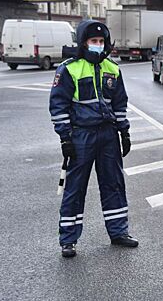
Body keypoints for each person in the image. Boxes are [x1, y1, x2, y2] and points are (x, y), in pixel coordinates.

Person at [49, 20, 138, 258]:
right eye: (93, 41)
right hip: (81, 135)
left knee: (114, 185)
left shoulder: (113, 69)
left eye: (101, 42)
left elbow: (120, 104)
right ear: (83, 43)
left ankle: (118, 232)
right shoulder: (69, 69)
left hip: (108, 135)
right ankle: (68, 239)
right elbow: (59, 105)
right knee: (75, 188)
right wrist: (65, 138)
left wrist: (124, 131)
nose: (98, 46)